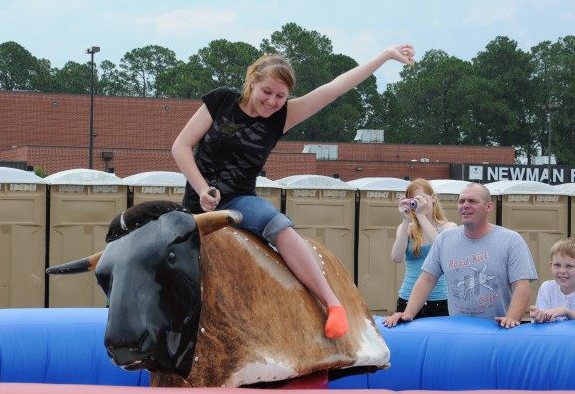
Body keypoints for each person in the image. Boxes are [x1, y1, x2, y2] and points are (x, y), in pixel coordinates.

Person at [172, 44, 416, 339]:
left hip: (238, 201)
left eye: (280, 96)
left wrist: (385, 55)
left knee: (280, 226)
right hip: (196, 203)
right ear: (253, 81)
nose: (272, 101)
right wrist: (201, 189)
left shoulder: (281, 117)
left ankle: (332, 304)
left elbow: (334, 88)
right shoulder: (222, 100)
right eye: (267, 92)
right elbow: (181, 146)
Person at [383, 183, 538, 329]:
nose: (465, 205)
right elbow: (426, 279)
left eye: (472, 201)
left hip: (497, 329)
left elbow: (521, 286)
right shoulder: (445, 239)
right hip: (459, 331)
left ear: (488, 207)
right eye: (461, 201)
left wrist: (511, 319)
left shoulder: (511, 240)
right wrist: (408, 314)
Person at [391, 179, 457, 318]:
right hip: (407, 299)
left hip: (440, 302)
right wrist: (405, 220)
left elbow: (441, 251)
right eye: (414, 200)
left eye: (422, 199)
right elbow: (396, 257)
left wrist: (421, 215)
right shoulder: (407, 229)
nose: (419, 204)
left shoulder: (448, 227)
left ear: (433, 198)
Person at [529, 236, 575, 323]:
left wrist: (567, 312)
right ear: (551, 266)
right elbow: (543, 323)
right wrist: (539, 317)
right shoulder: (547, 288)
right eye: (557, 265)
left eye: (569, 266)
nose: (562, 271)